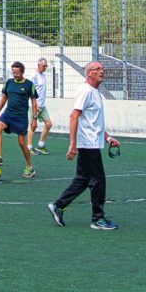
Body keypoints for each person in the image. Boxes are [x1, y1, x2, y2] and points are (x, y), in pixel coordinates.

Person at [47, 61, 119, 230]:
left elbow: (94, 122)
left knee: (83, 179)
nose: (102, 71)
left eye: (102, 69)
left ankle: (58, 205)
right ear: (89, 73)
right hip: (88, 144)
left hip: (93, 141)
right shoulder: (85, 91)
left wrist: (108, 138)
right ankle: (98, 218)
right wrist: (73, 144)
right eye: (97, 69)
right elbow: (74, 116)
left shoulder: (95, 92)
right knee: (98, 180)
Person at [0, 61, 38, 179]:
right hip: (8, 114)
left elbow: (33, 102)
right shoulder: (9, 82)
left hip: (21, 117)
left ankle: (29, 167)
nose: (15, 74)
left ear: (22, 72)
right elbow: (4, 97)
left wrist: (34, 119)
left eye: (17, 72)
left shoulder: (29, 84)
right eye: (13, 72)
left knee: (22, 143)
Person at [27, 57, 53, 155]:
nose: (45, 67)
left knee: (49, 124)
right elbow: (30, 91)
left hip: (42, 106)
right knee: (33, 126)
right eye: (44, 66)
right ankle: (29, 148)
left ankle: (41, 145)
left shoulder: (43, 75)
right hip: (34, 106)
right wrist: (35, 105)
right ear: (39, 65)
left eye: (46, 66)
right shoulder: (33, 76)